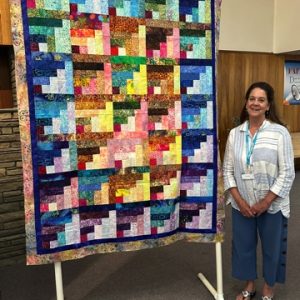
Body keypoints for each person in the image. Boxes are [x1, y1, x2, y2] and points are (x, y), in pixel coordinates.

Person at [223, 82, 295, 300]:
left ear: (268, 105)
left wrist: (265, 202)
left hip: (271, 205)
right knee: (243, 247)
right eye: (252, 98)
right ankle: (250, 286)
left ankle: (268, 289)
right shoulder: (235, 134)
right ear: (246, 103)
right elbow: (227, 170)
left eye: (261, 100)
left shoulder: (279, 133)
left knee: (272, 249)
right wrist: (239, 200)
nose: (255, 103)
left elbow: (287, 173)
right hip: (241, 203)